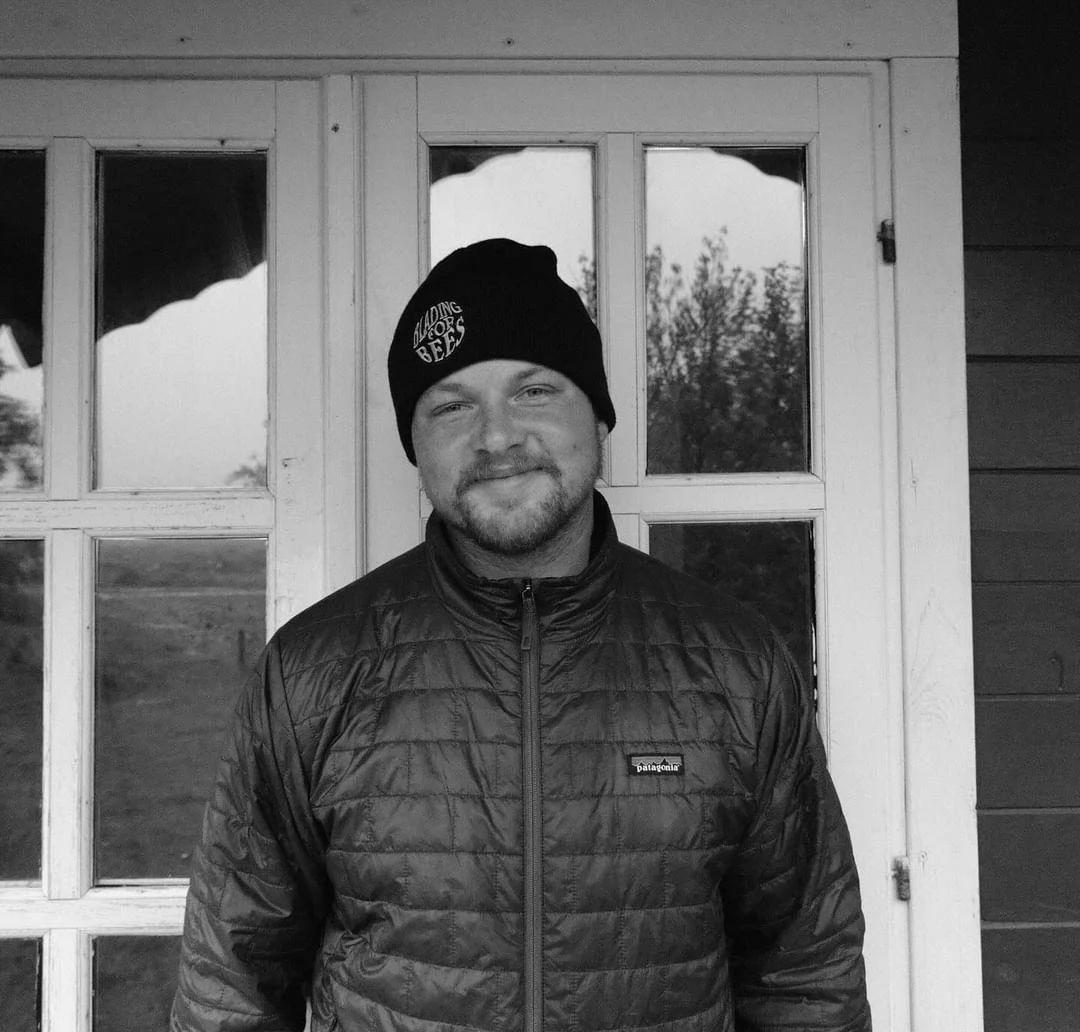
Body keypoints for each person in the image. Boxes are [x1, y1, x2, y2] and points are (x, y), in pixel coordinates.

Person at [172, 239, 871, 1032]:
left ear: (597, 416)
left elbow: (806, 973)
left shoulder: (734, 666)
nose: (497, 436)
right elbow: (233, 983)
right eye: (452, 404)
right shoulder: (312, 671)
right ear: (416, 445)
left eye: (534, 390)